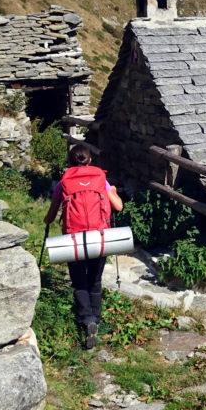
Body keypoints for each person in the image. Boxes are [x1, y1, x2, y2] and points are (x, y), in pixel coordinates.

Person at [44, 144, 123, 349]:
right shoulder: (100, 180)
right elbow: (118, 206)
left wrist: (47, 219)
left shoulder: (64, 182)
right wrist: (112, 191)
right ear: (90, 161)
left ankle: (85, 320)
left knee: (79, 282)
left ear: (70, 162)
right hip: (99, 235)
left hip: (74, 239)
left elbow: (51, 215)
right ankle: (96, 319)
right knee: (94, 280)